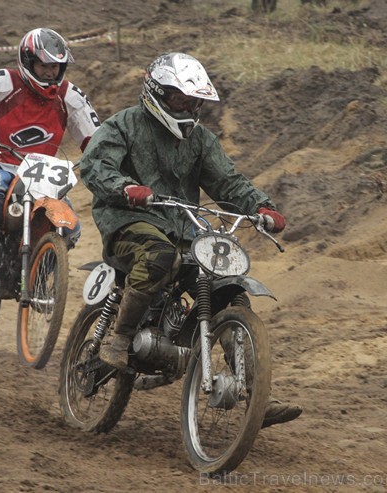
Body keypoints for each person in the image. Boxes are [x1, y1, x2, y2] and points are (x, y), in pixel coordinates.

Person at [78, 52, 301, 428]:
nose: (189, 108)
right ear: (158, 93)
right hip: (129, 220)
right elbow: (94, 166)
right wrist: (126, 187)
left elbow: (227, 182)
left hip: (184, 228)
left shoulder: (200, 140)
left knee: (229, 287)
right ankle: (119, 337)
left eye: (194, 102)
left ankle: (252, 391)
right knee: (158, 256)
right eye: (182, 100)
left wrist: (262, 207)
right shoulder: (123, 126)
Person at [0, 27, 101, 295]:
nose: (51, 72)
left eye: (56, 66)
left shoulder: (70, 95)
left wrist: (104, 157)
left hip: (43, 172)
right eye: (45, 65)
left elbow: (97, 138)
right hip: (0, 161)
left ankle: (41, 273)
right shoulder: (3, 81)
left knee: (70, 229)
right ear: (28, 62)